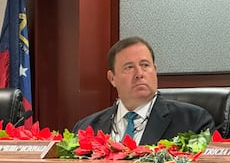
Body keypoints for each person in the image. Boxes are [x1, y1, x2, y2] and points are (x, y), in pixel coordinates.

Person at [73, 36, 214, 144]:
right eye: (129, 67)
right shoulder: (86, 129)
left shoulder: (193, 121)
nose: (139, 73)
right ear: (112, 78)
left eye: (145, 65)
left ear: (155, 70)